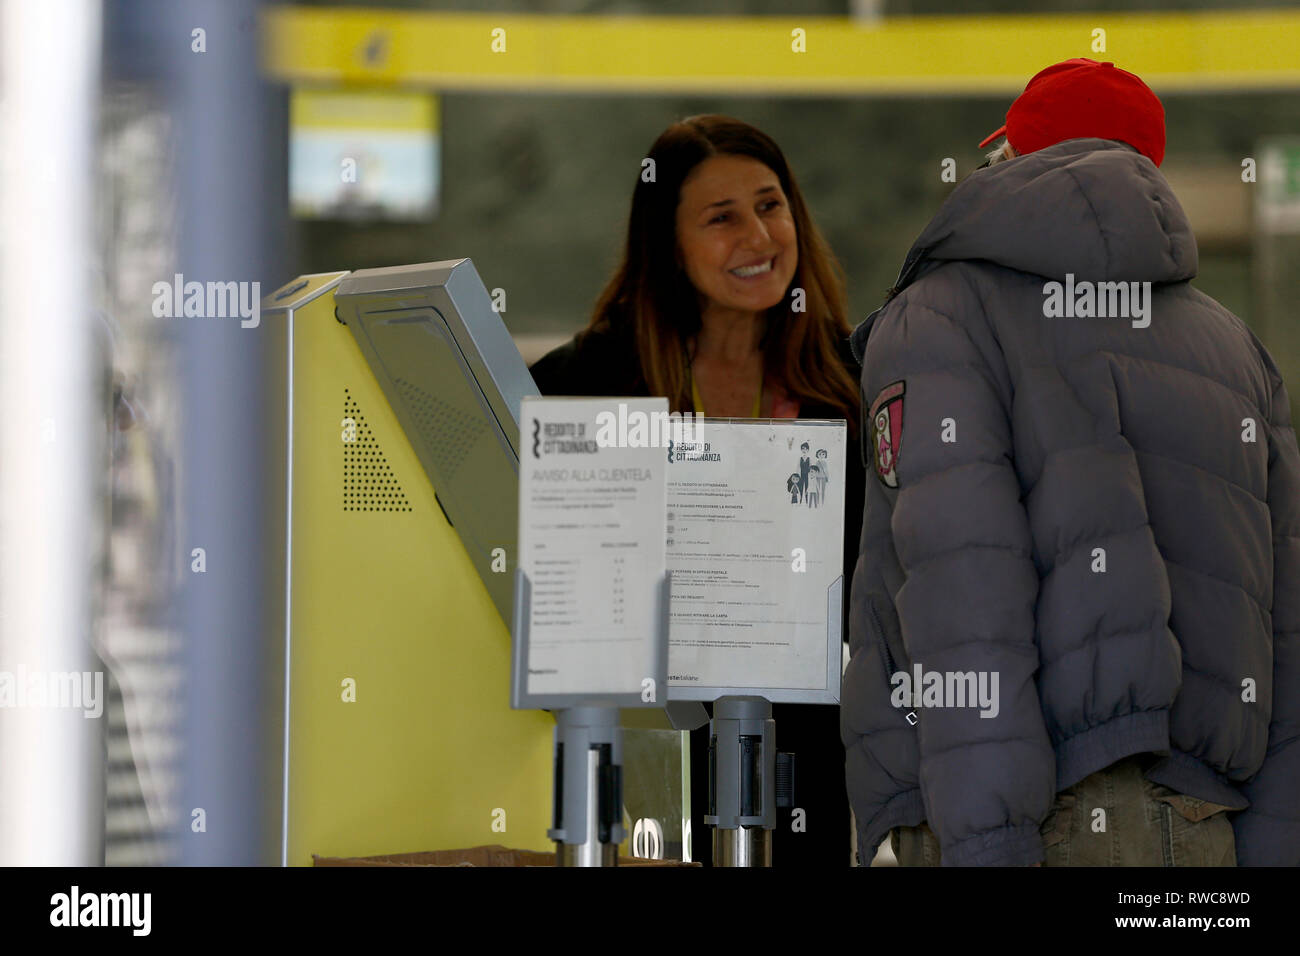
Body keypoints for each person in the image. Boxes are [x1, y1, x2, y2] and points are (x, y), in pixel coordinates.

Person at [843, 58, 1300, 867]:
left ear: (1014, 154)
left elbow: (965, 598)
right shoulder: (1237, 349)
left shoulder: (943, 315)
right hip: (1202, 826)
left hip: (1030, 818)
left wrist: (988, 847)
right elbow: (1289, 634)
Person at [531, 114, 863, 867]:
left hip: (799, 781)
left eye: (771, 205)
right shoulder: (584, 386)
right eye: (722, 218)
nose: (760, 236)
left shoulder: (847, 387)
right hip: (636, 774)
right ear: (668, 246)